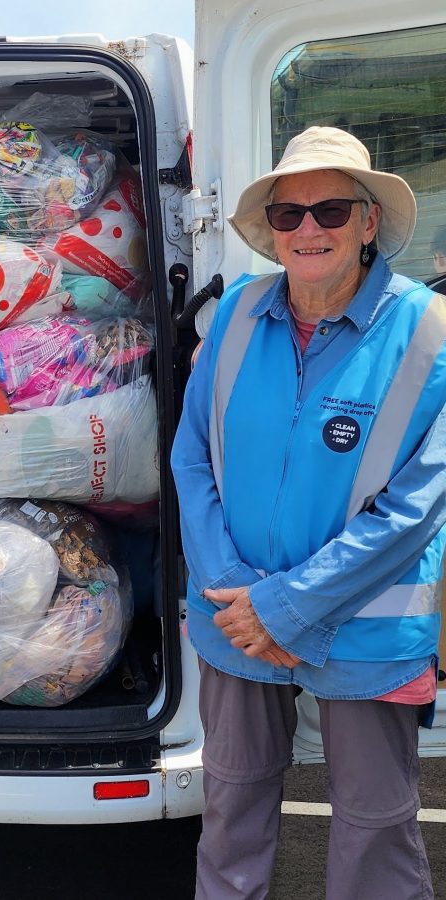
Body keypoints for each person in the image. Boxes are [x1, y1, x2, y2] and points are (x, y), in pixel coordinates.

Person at [172, 125, 443, 899]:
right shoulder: (234, 316)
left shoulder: (430, 332)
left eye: (329, 210)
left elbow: (417, 508)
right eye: (288, 216)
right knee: (231, 806)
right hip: (234, 614)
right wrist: (233, 587)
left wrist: (287, 606)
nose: (308, 230)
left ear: (367, 222)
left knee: (375, 827)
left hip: (365, 625)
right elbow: (192, 457)